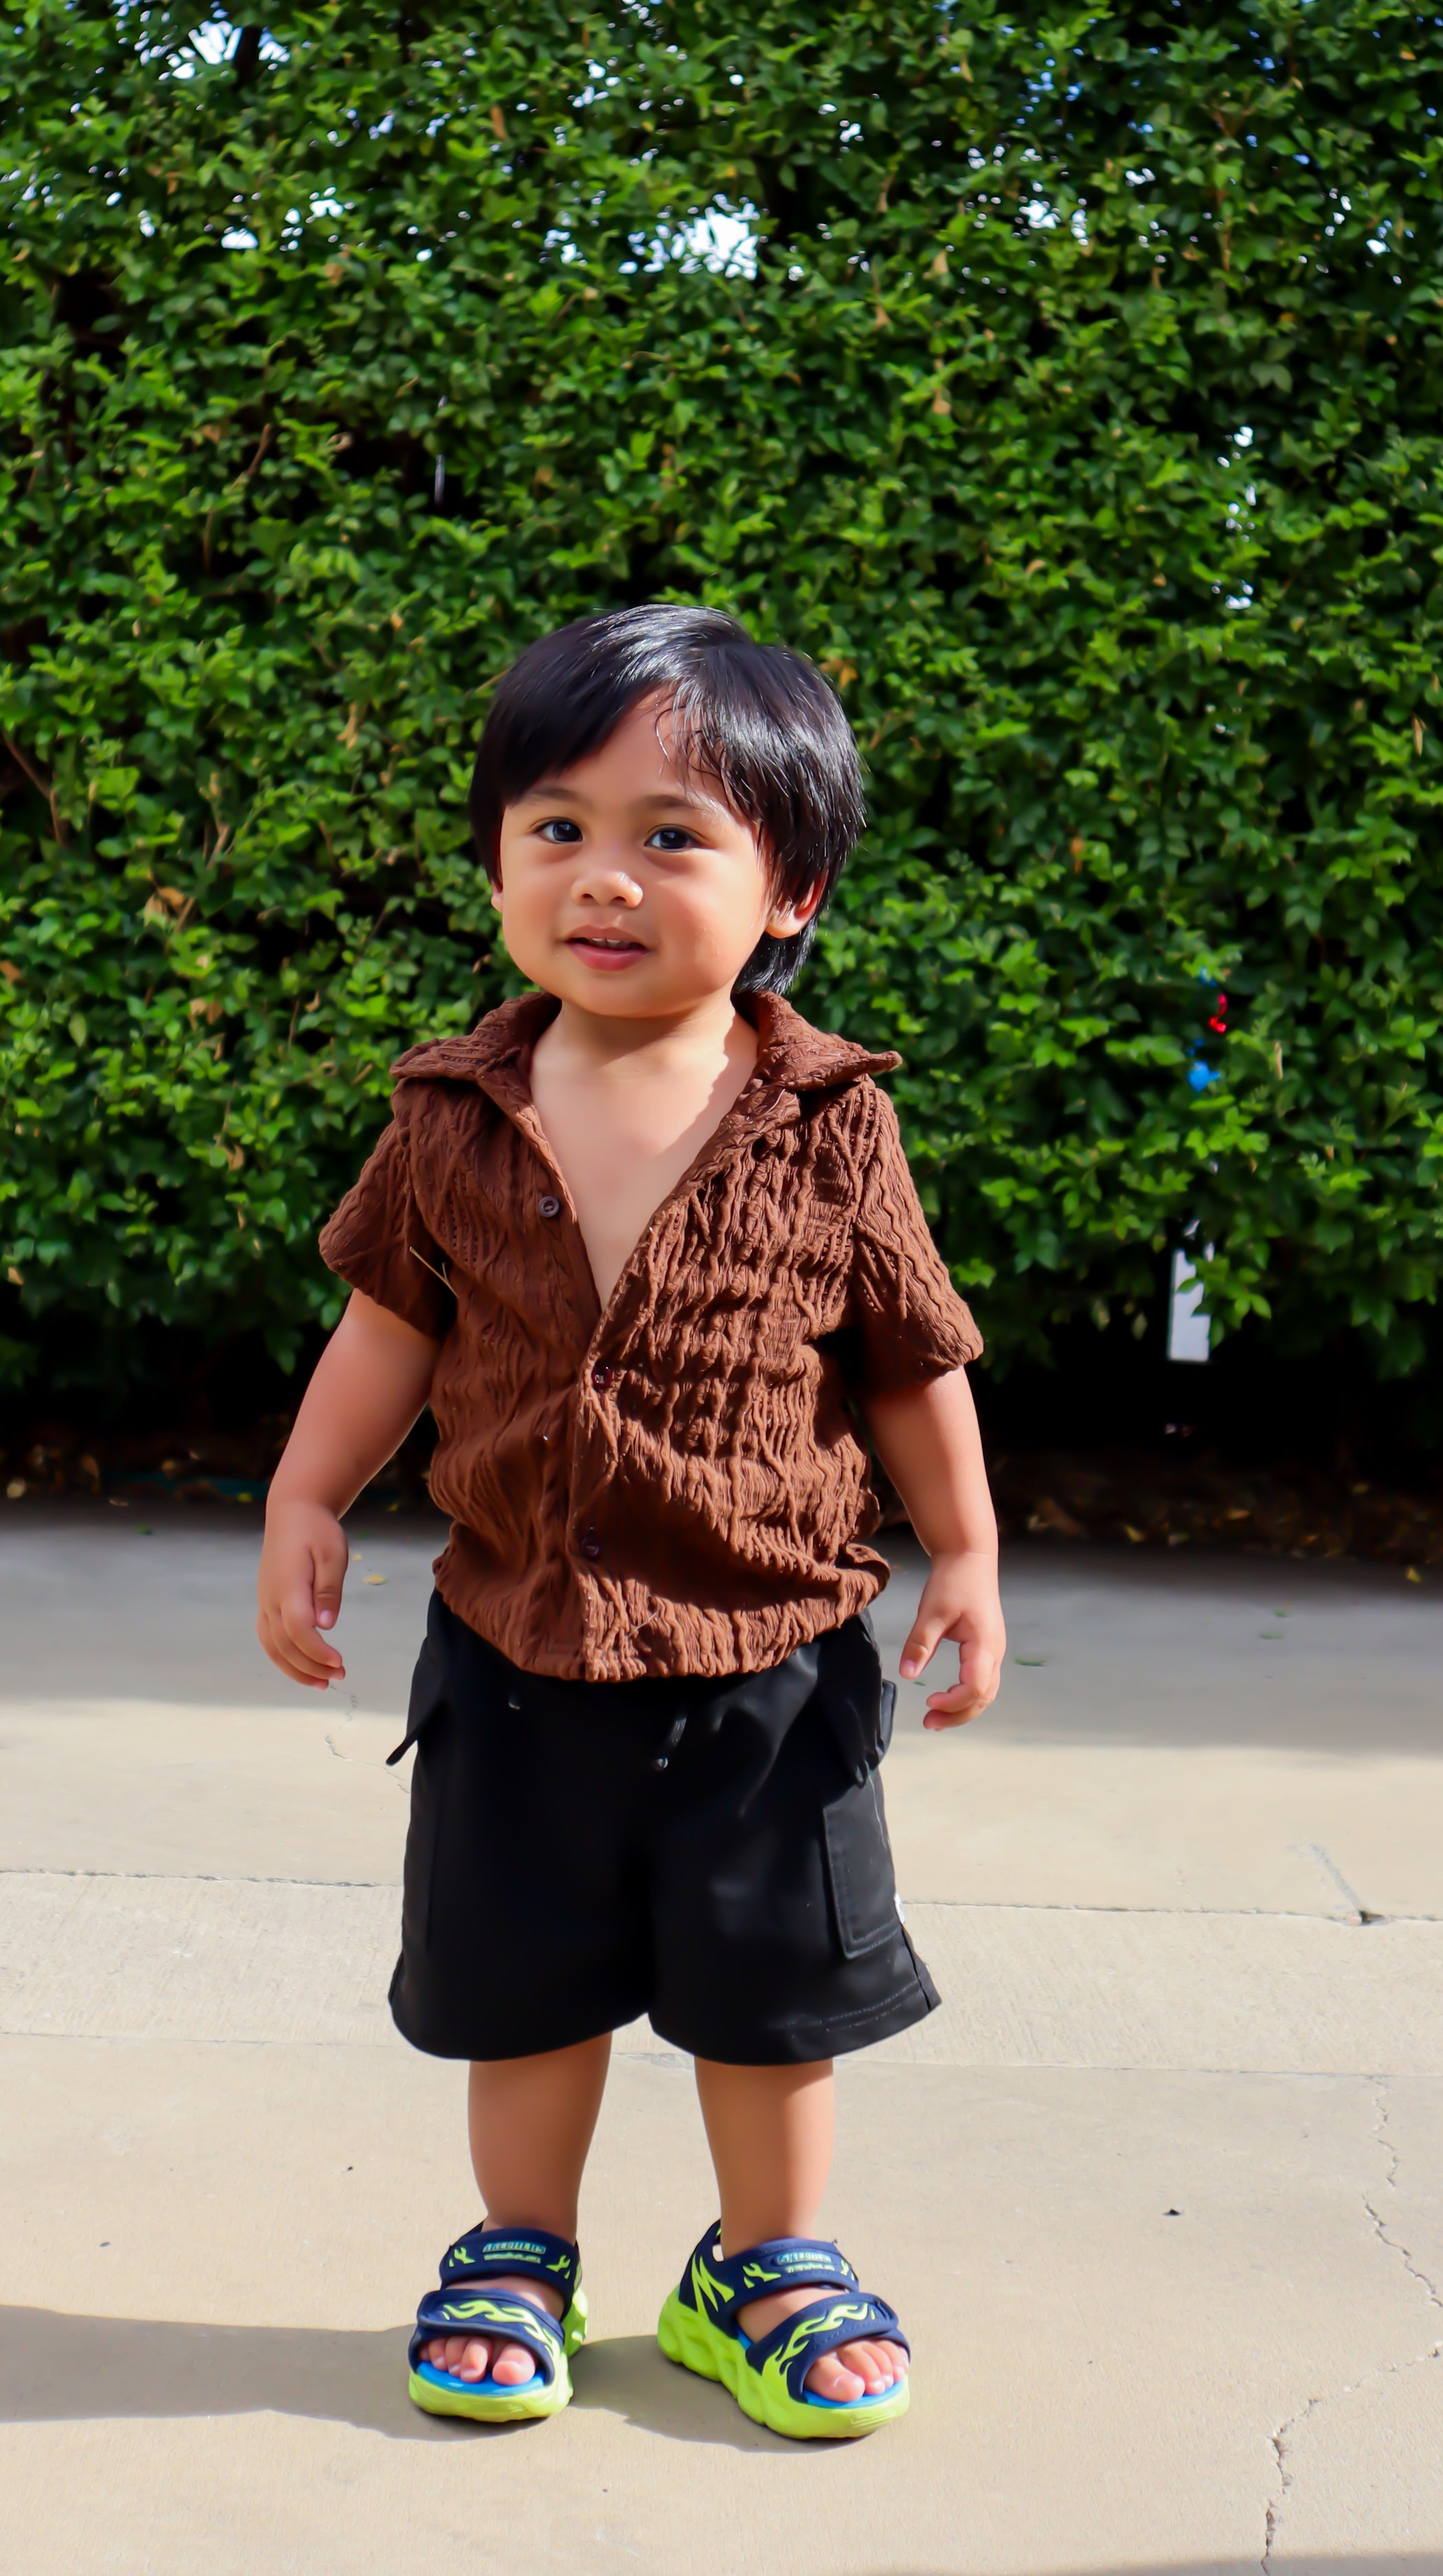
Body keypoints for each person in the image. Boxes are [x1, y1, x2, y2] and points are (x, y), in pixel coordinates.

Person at [256, 605, 1004, 2441]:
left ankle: (766, 2265)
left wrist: (966, 1555)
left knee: (772, 2004)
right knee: (522, 1989)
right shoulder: (448, 1110)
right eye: (557, 827)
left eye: (673, 836)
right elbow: (388, 1323)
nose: (604, 877)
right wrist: (303, 1492)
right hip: (512, 1646)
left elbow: (911, 1357)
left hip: (770, 1655)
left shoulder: (828, 1123)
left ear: (790, 889)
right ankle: (518, 2248)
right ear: (499, 857)